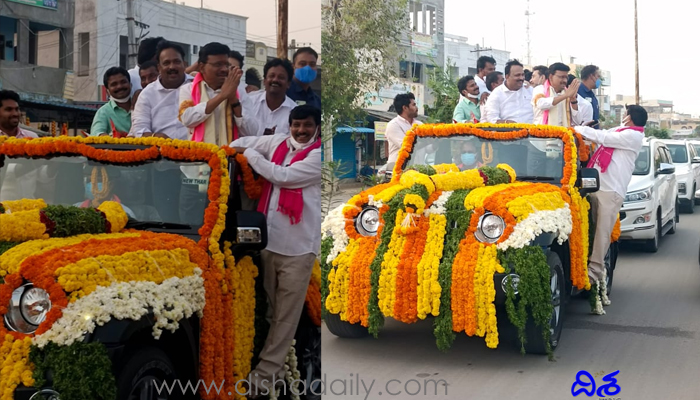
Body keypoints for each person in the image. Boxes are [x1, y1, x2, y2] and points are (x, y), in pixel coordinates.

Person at [230, 105, 321, 398]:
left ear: (316, 127)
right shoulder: (277, 143)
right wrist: (244, 152)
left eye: (307, 125)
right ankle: (280, 374)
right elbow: (236, 144)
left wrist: (252, 158)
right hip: (268, 244)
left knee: (285, 319)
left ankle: (261, 380)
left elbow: (282, 177)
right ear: (289, 125)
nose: (301, 131)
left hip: (298, 250)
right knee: (270, 312)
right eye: (296, 125)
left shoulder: (318, 156)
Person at [574, 105, 646, 314]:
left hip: (611, 190)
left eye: (625, 114)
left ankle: (593, 274)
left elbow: (603, 138)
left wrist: (578, 129)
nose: (622, 117)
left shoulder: (633, 136)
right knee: (589, 232)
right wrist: (584, 129)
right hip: (595, 186)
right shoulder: (620, 131)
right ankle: (585, 271)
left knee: (602, 235)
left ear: (630, 118)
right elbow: (602, 135)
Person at [178, 42, 243, 146]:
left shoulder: (238, 91)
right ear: (201, 67)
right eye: (218, 65)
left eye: (226, 65)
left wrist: (234, 100)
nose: (224, 69)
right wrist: (221, 96)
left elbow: (251, 131)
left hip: (229, 157)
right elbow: (187, 119)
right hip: (199, 157)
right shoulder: (188, 89)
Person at [129, 41, 194, 140]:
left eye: (176, 62)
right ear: (159, 67)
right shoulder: (147, 94)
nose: (172, 67)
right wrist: (156, 137)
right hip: (159, 151)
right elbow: (139, 130)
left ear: (184, 64)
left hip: (197, 151)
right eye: (166, 63)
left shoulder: (196, 86)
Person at [235, 58, 297, 137]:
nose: (275, 80)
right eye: (271, 76)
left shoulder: (294, 111)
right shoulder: (249, 102)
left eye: (281, 77)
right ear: (264, 81)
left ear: (288, 84)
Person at [482, 59, 533, 124]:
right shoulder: (496, 94)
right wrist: (507, 123)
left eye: (523, 75)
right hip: (507, 132)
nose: (521, 78)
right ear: (507, 76)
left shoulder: (530, 90)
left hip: (532, 132)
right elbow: (492, 119)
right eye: (517, 75)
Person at [532, 63, 581, 127]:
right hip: (542, 134)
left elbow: (577, 121)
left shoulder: (567, 92)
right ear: (551, 77)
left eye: (566, 77)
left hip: (563, 134)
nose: (565, 80)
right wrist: (565, 96)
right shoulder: (540, 89)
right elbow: (541, 104)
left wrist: (573, 100)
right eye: (561, 77)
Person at [91, 67, 133, 137]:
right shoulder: (103, 112)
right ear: (107, 90)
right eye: (114, 84)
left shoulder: (141, 105)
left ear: (130, 84)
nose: (119, 86)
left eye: (123, 82)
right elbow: (97, 134)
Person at [386, 92, 422, 165]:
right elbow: (406, 146)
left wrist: (435, 141)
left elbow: (428, 150)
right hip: (399, 169)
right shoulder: (393, 125)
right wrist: (425, 142)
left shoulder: (420, 125)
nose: (417, 108)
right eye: (414, 105)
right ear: (405, 108)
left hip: (418, 169)